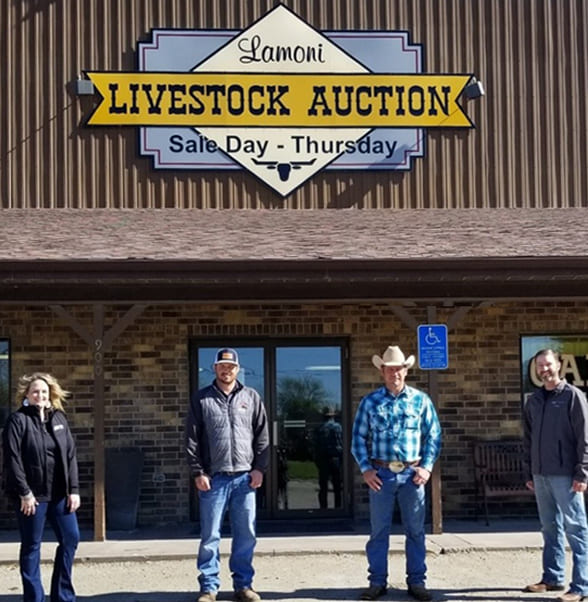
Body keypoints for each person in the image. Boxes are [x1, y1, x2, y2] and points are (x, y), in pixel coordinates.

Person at [351, 345, 441, 602]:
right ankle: (377, 582)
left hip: (413, 474)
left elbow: (433, 435)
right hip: (381, 475)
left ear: (405, 370)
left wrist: (427, 467)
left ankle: (417, 582)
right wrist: (366, 470)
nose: (395, 373)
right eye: (390, 369)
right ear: (383, 371)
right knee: (379, 531)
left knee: (415, 531)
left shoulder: (421, 400)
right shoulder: (370, 402)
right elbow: (358, 437)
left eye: (399, 369)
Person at [185, 348, 269, 602]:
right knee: (210, 536)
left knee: (246, 535)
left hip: (245, 478)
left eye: (230, 367)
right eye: (222, 366)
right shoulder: (201, 400)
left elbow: (263, 437)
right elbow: (191, 439)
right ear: (214, 368)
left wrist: (259, 469)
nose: (226, 370)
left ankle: (243, 586)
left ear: (237, 369)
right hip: (214, 479)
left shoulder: (251, 397)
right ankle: (209, 588)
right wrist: (198, 472)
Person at [2, 372, 81, 602]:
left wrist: (73, 490)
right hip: (31, 498)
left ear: (50, 394)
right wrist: (24, 493)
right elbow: (12, 459)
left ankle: (63, 595)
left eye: (44, 392)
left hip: (58, 495)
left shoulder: (58, 419)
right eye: (35, 391)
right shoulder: (18, 420)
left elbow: (70, 455)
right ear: (27, 394)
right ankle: (34, 597)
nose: (40, 395)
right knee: (31, 546)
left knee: (71, 538)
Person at [522, 348, 588, 602]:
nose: (544, 369)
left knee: (577, 529)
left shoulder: (573, 396)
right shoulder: (534, 400)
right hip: (540, 475)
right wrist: (529, 470)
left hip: (565, 475)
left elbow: (584, 438)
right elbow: (528, 438)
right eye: (540, 365)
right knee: (549, 528)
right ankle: (552, 577)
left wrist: (582, 473)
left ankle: (581, 587)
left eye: (548, 364)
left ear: (559, 365)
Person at [314, 406, 343, 508]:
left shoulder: (319, 428)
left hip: (323, 459)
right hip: (336, 458)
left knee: (323, 486)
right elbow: (341, 444)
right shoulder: (338, 427)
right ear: (333, 417)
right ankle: (338, 508)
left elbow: (315, 445)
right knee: (337, 487)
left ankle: (323, 508)